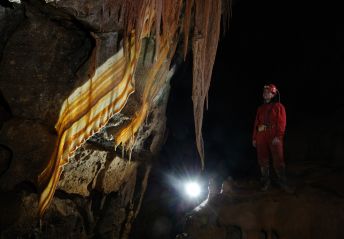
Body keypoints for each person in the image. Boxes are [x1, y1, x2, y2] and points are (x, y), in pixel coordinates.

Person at [252, 84, 292, 193]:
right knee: (262, 159)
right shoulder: (260, 108)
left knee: (278, 158)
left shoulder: (279, 106)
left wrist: (279, 136)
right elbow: (256, 123)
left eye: (268, 92)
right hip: (261, 134)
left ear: (273, 94)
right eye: (264, 91)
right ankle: (265, 182)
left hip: (273, 134)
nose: (265, 93)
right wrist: (254, 138)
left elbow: (282, 122)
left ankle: (283, 182)